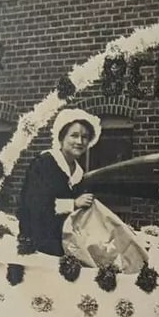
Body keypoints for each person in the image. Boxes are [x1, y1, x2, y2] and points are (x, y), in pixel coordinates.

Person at [18, 108, 99, 256]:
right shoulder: (44, 164)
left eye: (85, 137)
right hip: (39, 244)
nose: (80, 142)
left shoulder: (79, 174)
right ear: (61, 138)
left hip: (66, 247)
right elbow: (35, 205)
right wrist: (73, 204)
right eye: (74, 135)